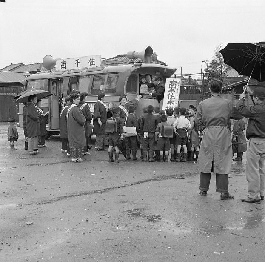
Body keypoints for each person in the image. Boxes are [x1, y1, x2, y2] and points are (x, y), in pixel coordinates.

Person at [195, 80, 234, 200]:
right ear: (221, 89)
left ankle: (203, 189)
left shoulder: (203, 103)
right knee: (223, 160)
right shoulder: (227, 103)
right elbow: (235, 115)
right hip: (223, 133)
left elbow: (197, 120)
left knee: (206, 159)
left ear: (210, 89)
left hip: (208, 132)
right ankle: (223, 192)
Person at [236, 86, 265, 203]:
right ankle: (261, 192)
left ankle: (253, 195)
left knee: (252, 169)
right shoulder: (261, 108)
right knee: (262, 168)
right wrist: (250, 93)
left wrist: (241, 99)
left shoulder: (258, 110)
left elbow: (242, 109)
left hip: (256, 140)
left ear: (257, 98)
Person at [67, 93, 86, 163]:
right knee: (78, 143)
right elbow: (82, 120)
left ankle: (74, 157)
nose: (79, 100)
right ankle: (77, 157)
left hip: (72, 128)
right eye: (77, 99)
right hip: (77, 129)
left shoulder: (70, 108)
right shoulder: (76, 109)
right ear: (73, 100)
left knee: (73, 143)